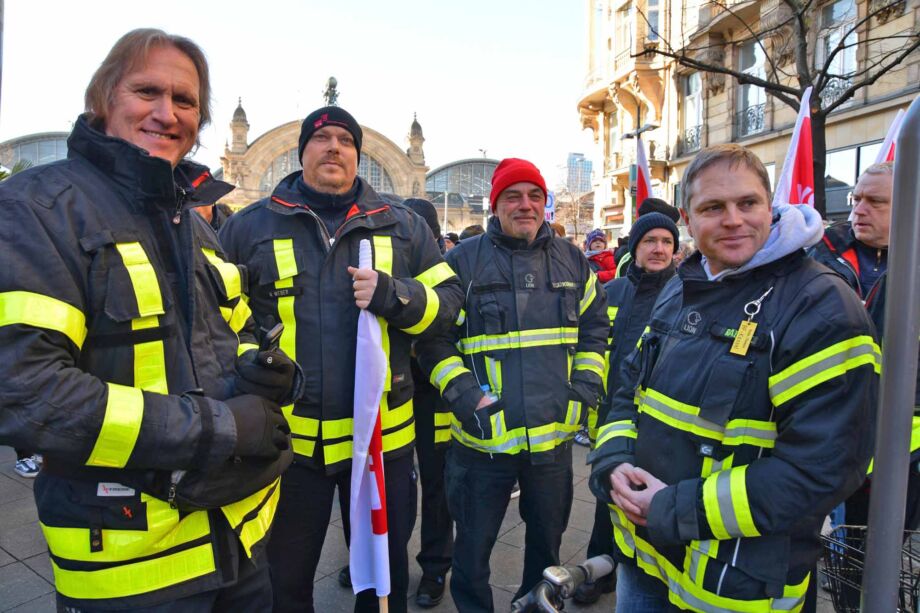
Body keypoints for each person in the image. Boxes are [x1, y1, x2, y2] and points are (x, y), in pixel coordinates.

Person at [0, 29, 298, 611]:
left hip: (239, 545)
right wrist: (223, 427)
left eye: (185, 102)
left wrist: (264, 373)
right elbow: (27, 393)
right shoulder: (37, 211)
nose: (167, 113)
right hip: (130, 568)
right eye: (147, 92)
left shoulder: (196, 223)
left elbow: (225, 338)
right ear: (102, 98)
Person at [588, 144, 878, 611]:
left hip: (736, 586)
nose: (733, 220)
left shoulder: (820, 306)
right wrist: (612, 461)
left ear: (770, 204)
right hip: (644, 559)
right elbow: (627, 394)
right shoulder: (681, 286)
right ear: (688, 217)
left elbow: (824, 468)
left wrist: (674, 509)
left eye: (747, 203)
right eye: (713, 207)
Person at [219, 105, 463, 613]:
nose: (334, 147)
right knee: (283, 584)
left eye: (346, 140)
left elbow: (450, 307)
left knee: (382, 580)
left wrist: (394, 297)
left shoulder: (405, 227)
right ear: (301, 150)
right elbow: (213, 319)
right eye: (322, 138)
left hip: (382, 448)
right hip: (288, 449)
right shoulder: (248, 227)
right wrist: (250, 360)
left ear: (358, 154)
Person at [418, 158, 609, 612]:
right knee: (472, 553)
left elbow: (595, 329)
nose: (525, 205)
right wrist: (466, 397)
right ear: (495, 205)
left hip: (551, 443)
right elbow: (432, 340)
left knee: (547, 550)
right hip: (482, 443)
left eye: (534, 196)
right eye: (513, 196)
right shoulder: (461, 261)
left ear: (545, 203)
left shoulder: (572, 259)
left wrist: (583, 391)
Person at [810, 162, 920, 605]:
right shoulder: (820, 255)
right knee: (845, 560)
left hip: (904, 447)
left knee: (887, 547)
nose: (858, 209)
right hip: (833, 433)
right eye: (856, 198)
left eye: (875, 201)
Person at [575, 212, 680, 605]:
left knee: (646, 499)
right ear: (634, 247)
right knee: (609, 497)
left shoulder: (684, 292)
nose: (658, 249)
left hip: (657, 419)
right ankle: (599, 570)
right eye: (650, 241)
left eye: (666, 242)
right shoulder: (612, 291)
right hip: (610, 414)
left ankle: (642, 575)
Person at [401, 197, 455, 607]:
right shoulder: (388, 262)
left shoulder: (445, 271)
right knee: (391, 484)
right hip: (392, 395)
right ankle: (381, 559)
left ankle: (435, 567)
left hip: (436, 397)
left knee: (437, 486)